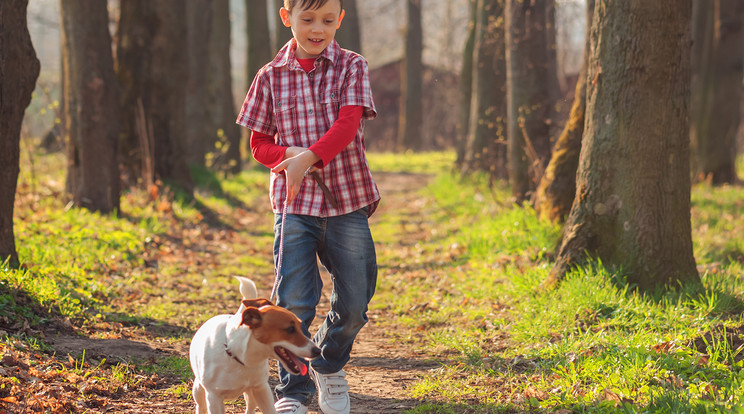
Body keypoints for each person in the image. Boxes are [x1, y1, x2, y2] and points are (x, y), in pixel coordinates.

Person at [236, 0, 379, 413]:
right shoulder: (269, 76)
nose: (318, 29)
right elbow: (258, 144)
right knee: (294, 302)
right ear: (287, 18)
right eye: (308, 19)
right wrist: (289, 155)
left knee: (355, 302)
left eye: (328, 21)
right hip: (294, 206)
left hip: (347, 200)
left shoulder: (352, 65)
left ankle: (328, 364)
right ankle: (293, 391)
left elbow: (348, 125)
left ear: (340, 20)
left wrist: (308, 158)